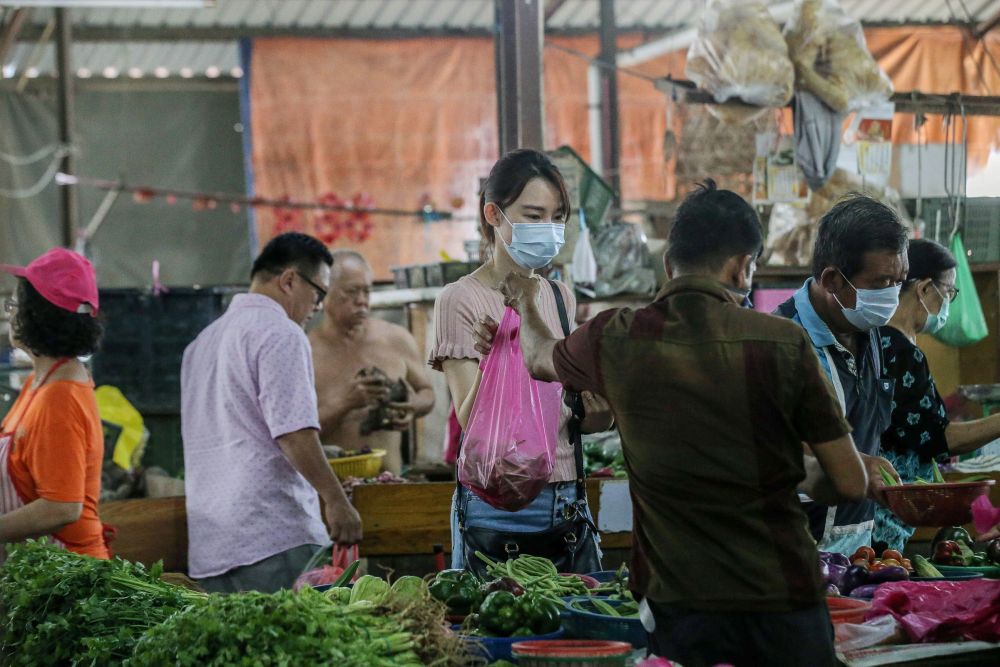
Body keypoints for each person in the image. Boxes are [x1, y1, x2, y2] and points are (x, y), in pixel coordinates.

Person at [490, 180, 868, 667]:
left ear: (668, 264)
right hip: (781, 597)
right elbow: (849, 480)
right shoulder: (784, 342)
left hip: (681, 605)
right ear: (742, 267)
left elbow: (540, 358)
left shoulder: (616, 336)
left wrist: (523, 299)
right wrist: (791, 465)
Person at [429, 148, 611, 572]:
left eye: (556, 216)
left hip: (566, 500)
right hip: (496, 505)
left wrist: (597, 416)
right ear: (494, 215)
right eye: (532, 216)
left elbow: (570, 415)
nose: (547, 229)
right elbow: (472, 422)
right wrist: (501, 354)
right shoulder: (460, 300)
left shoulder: (560, 297)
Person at [181, 233, 361, 593]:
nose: (317, 307)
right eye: (319, 294)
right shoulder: (281, 332)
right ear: (290, 280)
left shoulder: (201, 343)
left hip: (210, 547)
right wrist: (336, 500)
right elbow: (294, 433)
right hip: (272, 536)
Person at [773, 194, 907, 557]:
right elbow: (761, 438)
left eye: (899, 281)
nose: (892, 295)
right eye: (881, 282)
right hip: (790, 548)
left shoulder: (876, 335)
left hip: (858, 549)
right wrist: (848, 464)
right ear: (832, 278)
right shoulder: (778, 339)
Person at [873, 239, 1000, 551]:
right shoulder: (903, 353)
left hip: (869, 507)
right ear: (925, 288)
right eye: (949, 292)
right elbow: (938, 439)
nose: (948, 302)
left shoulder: (874, 341)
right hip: (885, 512)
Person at [0, 248, 109, 560]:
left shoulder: (59, 398)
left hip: (66, 578)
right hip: (40, 570)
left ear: (37, 317)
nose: (11, 313)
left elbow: (62, 507)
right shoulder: (42, 381)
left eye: (15, 305)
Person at [310, 250, 435, 475]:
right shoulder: (307, 351)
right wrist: (346, 403)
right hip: (334, 490)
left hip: (389, 484)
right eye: (351, 291)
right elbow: (298, 434)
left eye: (367, 291)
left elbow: (427, 393)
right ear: (325, 292)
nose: (362, 300)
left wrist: (412, 407)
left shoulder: (395, 338)